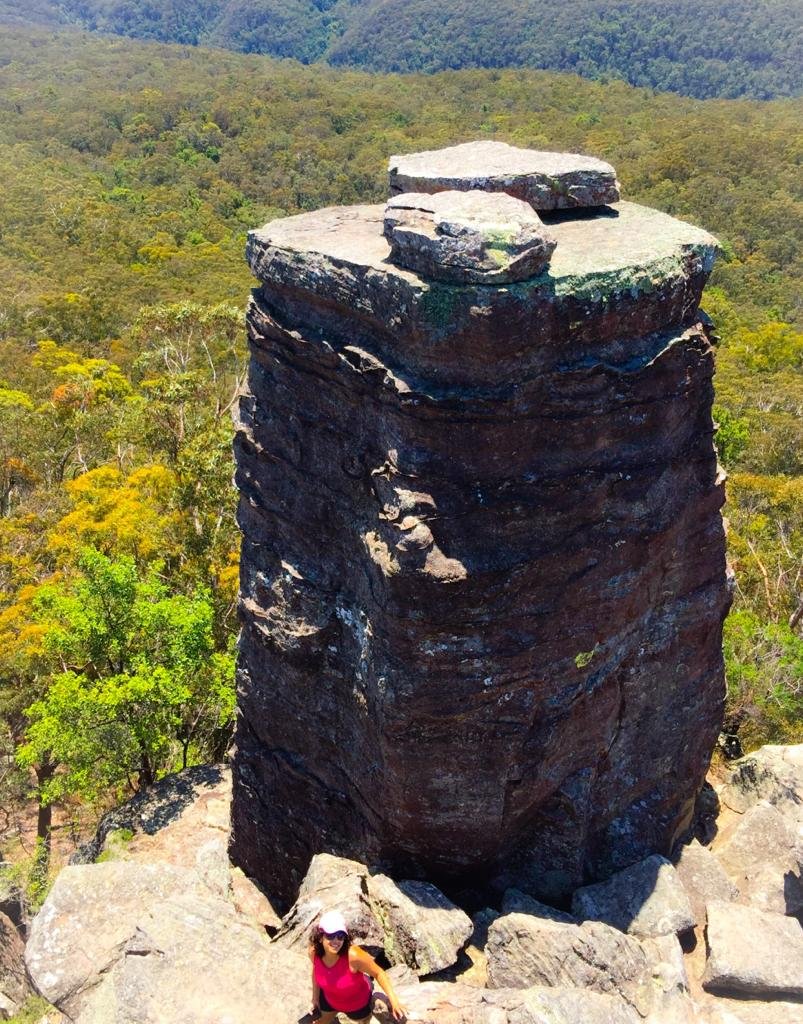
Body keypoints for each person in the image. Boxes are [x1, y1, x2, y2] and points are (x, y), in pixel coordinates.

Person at [309, 909, 406, 1022]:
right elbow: (316, 970)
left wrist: (394, 1001)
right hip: (329, 999)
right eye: (330, 935)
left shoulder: (354, 956)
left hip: (357, 1004)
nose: (336, 941)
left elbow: (379, 973)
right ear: (320, 937)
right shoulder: (314, 952)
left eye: (340, 936)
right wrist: (315, 998)